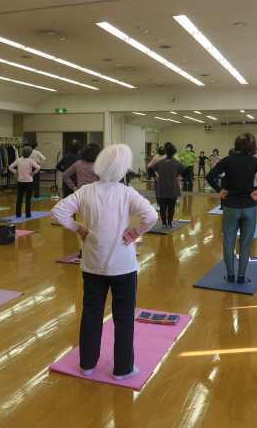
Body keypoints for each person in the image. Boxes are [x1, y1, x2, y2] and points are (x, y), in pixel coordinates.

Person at [51, 144, 158, 381]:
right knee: (123, 317)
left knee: (91, 313)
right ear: (122, 169)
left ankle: (87, 365)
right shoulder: (126, 192)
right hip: (122, 265)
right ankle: (123, 368)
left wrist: (79, 228)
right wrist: (136, 232)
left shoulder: (85, 191)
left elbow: (58, 212)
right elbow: (151, 216)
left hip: (93, 263)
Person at [206, 133, 257, 284]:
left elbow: (210, 176)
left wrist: (219, 190)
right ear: (252, 147)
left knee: (228, 242)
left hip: (231, 207)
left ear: (236, 144)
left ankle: (230, 275)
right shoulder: (254, 161)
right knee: (245, 244)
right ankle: (242, 276)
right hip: (249, 208)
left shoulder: (227, 160)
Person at [153, 144, 185, 228]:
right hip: (173, 188)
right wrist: (181, 177)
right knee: (171, 207)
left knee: (162, 207)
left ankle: (164, 223)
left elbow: (150, 169)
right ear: (174, 153)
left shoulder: (160, 162)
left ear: (166, 153)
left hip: (162, 187)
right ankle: (170, 223)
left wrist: (156, 177)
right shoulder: (177, 162)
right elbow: (187, 170)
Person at [9, 146, 41, 218]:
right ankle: (28, 214)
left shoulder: (18, 160)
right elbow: (38, 167)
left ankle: (18, 214)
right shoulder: (30, 160)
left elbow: (10, 167)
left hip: (20, 181)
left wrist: (16, 172)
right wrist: (34, 172)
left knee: (19, 198)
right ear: (30, 153)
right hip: (29, 181)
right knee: (28, 199)